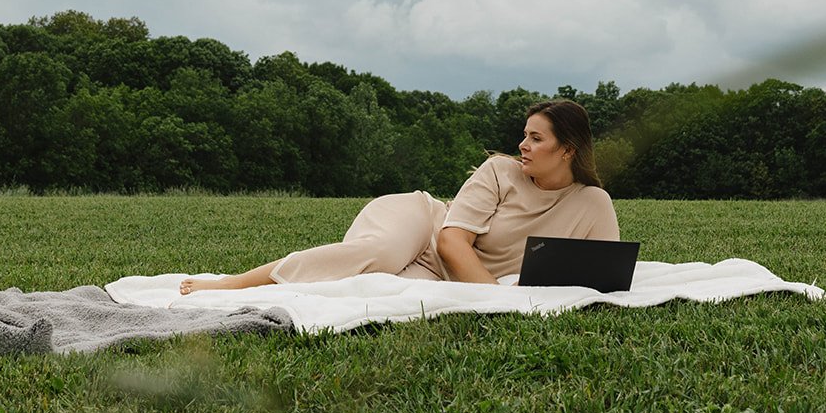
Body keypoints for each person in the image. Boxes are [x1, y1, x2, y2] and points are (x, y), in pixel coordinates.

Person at [179, 98, 618, 294]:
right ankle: (232, 283)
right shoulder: (500, 171)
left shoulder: (591, 202)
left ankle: (274, 286)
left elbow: (607, 273)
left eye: (535, 139)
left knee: (374, 293)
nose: (522, 145)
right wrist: (499, 300)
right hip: (422, 223)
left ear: (568, 150)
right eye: (523, 135)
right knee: (382, 254)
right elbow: (450, 241)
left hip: (445, 277)